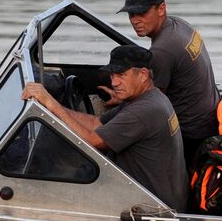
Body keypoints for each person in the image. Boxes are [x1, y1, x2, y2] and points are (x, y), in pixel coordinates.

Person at [21, 44, 187, 209]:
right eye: (113, 74)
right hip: (153, 192)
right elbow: (96, 123)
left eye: (122, 74)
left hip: (152, 207)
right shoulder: (148, 98)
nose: (114, 82)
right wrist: (51, 106)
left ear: (143, 75)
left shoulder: (144, 111)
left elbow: (93, 142)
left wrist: (50, 102)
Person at [118, 0, 219, 174]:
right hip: (208, 120)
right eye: (132, 14)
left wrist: (117, 106)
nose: (135, 20)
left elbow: (150, 104)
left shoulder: (162, 50)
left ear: (161, 9)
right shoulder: (178, 24)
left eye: (142, 13)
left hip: (190, 134)